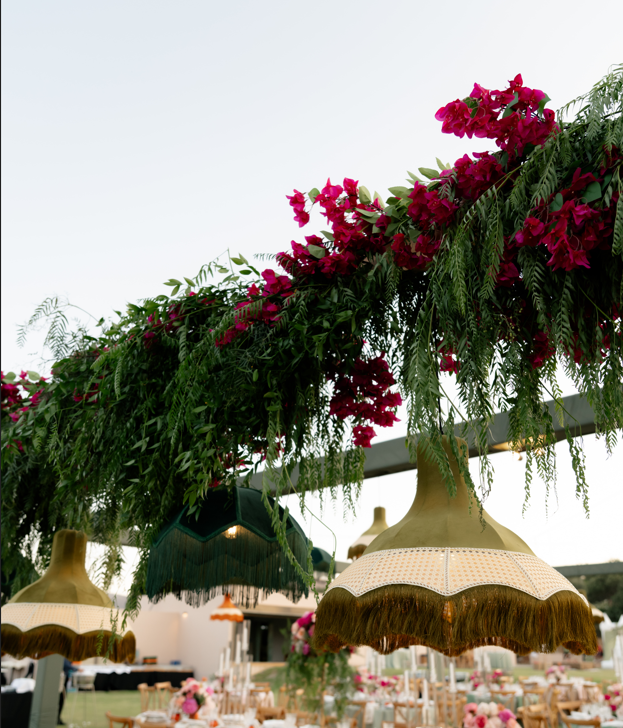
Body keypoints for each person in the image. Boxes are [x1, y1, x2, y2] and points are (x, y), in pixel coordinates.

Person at [57, 658, 75, 726]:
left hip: (64, 678)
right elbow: (66, 665)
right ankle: (57, 718)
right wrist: (76, 669)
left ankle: (58, 718)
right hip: (60, 680)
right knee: (60, 699)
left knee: (61, 700)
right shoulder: (65, 656)